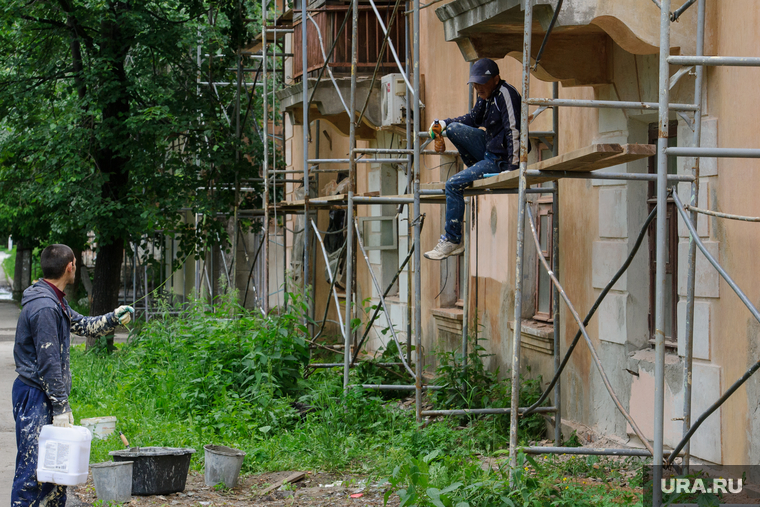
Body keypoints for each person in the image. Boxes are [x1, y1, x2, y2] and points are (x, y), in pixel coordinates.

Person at [12, 244, 134, 507]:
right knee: (33, 471)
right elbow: (48, 362)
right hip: (35, 395)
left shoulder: (54, 298)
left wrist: (114, 318)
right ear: (70, 267)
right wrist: (60, 405)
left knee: (55, 472)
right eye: (76, 264)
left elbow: (82, 324)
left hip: (43, 393)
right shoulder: (45, 306)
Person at [423, 58, 526, 260]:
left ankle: (453, 240)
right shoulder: (485, 95)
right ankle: (476, 168)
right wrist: (444, 123)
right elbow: (473, 119)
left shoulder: (506, 94)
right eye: (475, 83)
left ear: (495, 79)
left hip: (502, 159)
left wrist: (514, 168)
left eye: (482, 82)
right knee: (453, 129)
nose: (478, 87)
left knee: (452, 184)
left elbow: (514, 130)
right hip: (488, 150)